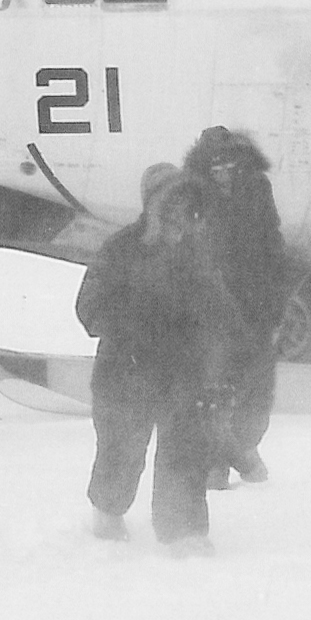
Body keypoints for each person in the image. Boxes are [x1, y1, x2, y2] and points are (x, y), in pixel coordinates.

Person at [76, 166, 251, 556]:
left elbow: (222, 313)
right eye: (172, 201)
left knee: (185, 453)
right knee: (120, 455)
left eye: (187, 203)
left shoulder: (198, 257)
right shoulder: (120, 250)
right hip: (126, 375)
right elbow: (89, 308)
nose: (180, 211)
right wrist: (137, 326)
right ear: (152, 204)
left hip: (182, 377)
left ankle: (184, 531)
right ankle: (107, 515)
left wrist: (235, 354)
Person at [183, 126, 290, 488]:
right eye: (215, 166)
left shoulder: (257, 189)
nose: (222, 172)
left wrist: (276, 303)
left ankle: (244, 448)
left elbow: (272, 246)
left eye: (228, 164)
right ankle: (217, 464)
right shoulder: (191, 195)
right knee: (216, 388)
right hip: (214, 309)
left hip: (257, 304)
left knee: (259, 389)